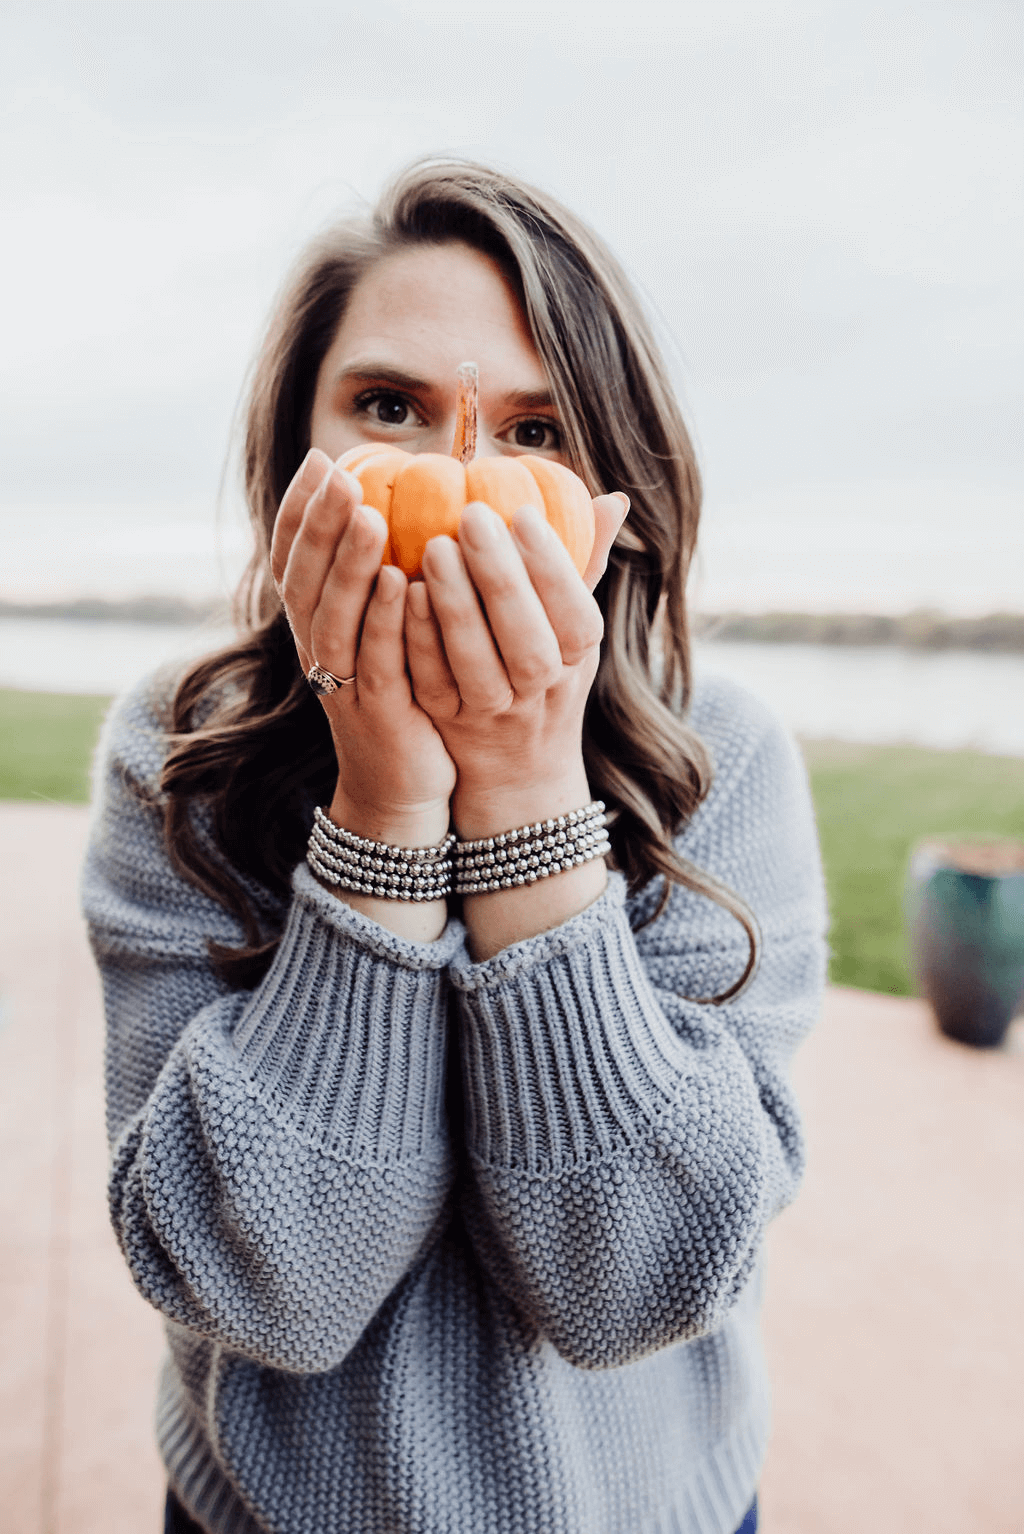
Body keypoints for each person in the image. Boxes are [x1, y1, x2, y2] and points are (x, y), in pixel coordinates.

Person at [83, 159, 826, 1534]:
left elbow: (635, 1285)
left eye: (534, 430)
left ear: (613, 499)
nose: (462, 475)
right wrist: (382, 819)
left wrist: (528, 798)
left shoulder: (726, 762)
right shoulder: (178, 755)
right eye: (388, 409)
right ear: (293, 465)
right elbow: (264, 1295)